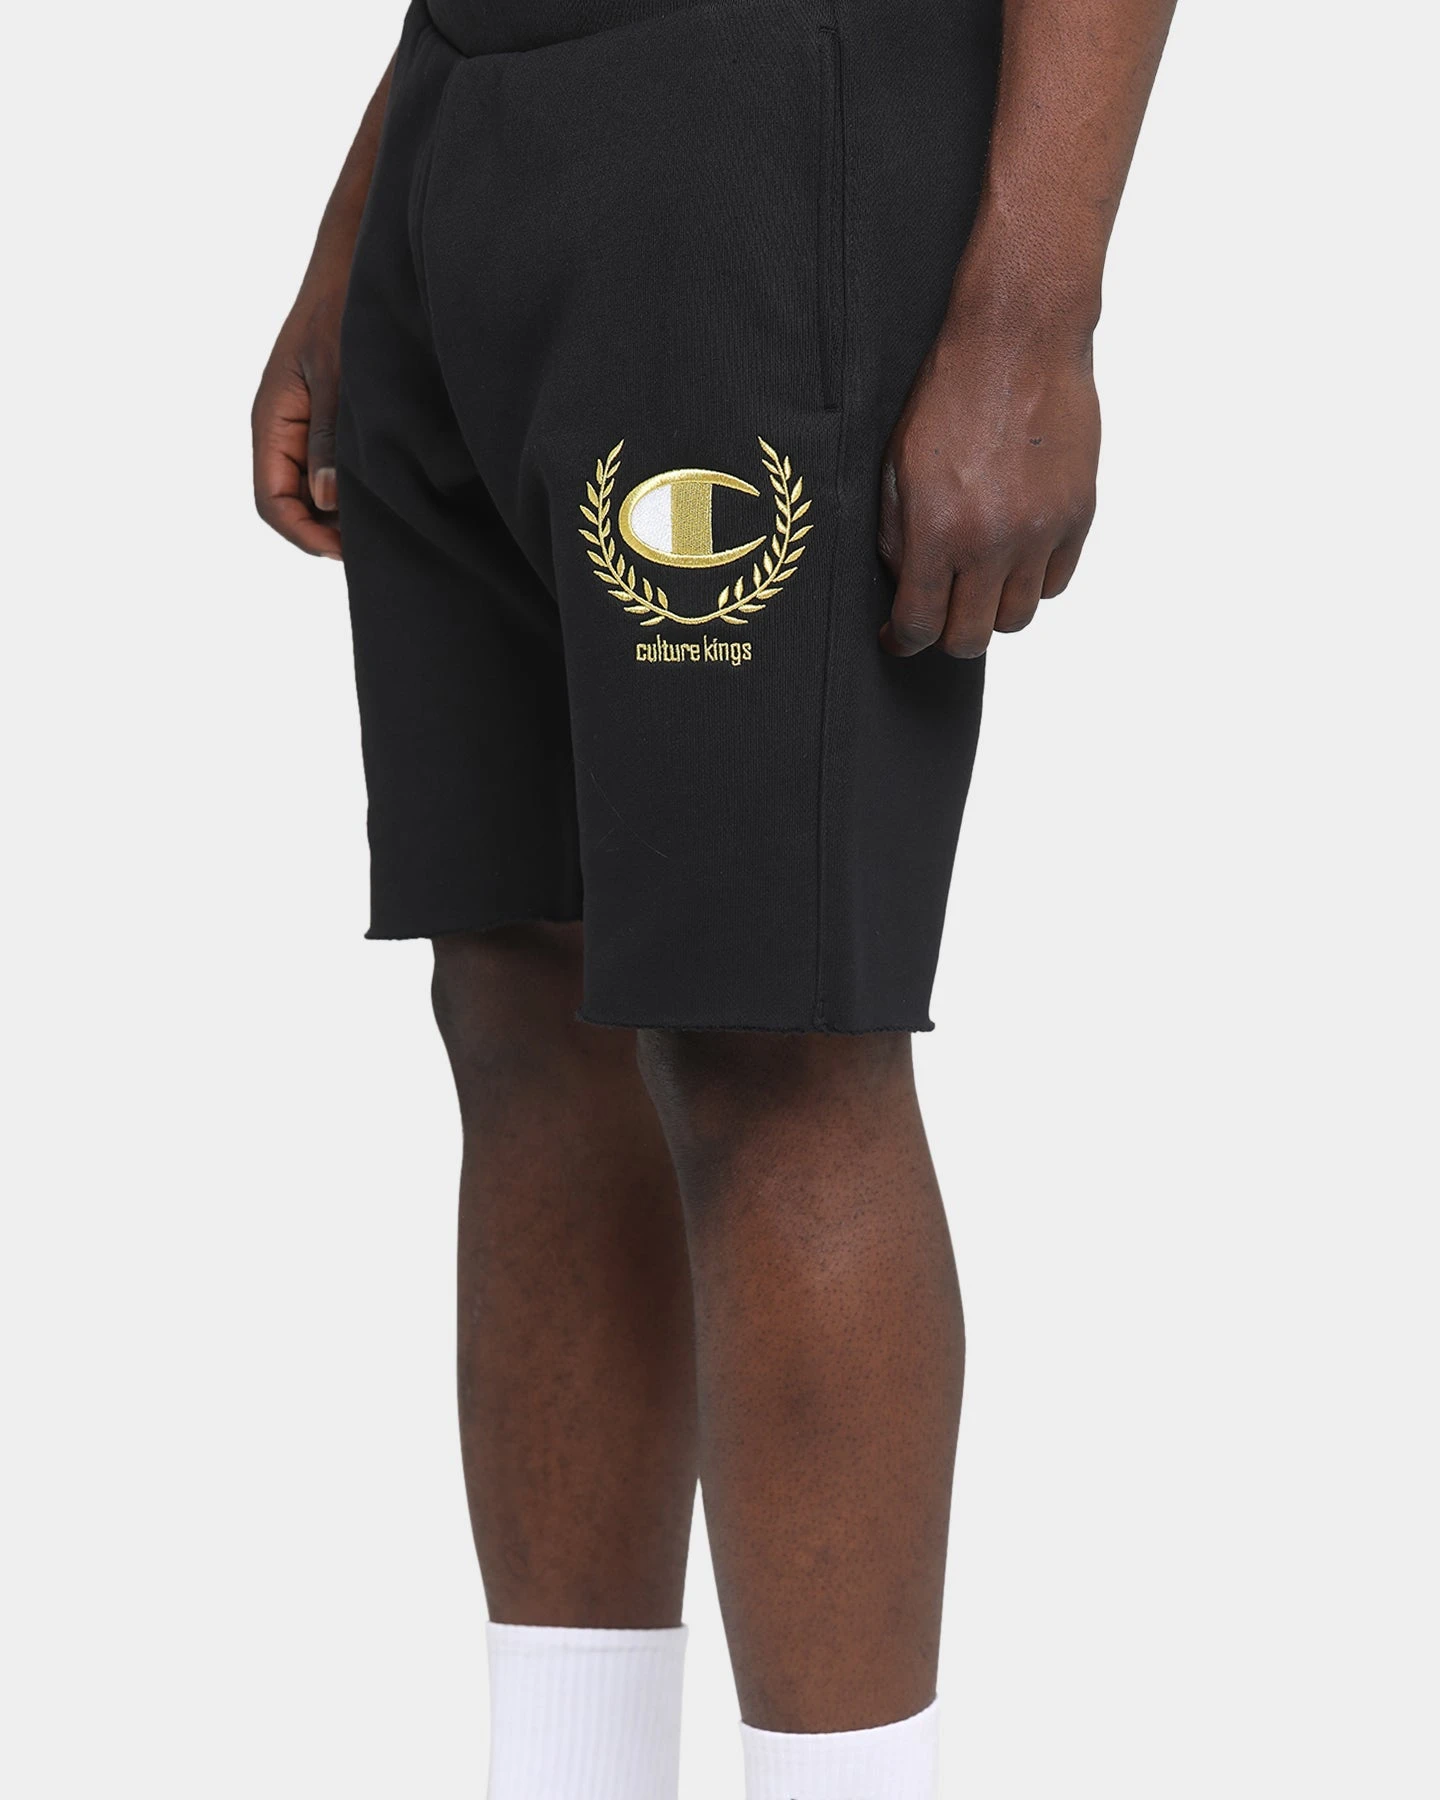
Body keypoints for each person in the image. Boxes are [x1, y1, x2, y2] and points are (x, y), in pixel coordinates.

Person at [252, 1, 1175, 1794]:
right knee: (522, 989)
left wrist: (1032, 307)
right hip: (471, 127)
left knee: (771, 1032)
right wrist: (375, 196)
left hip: (764, 123)